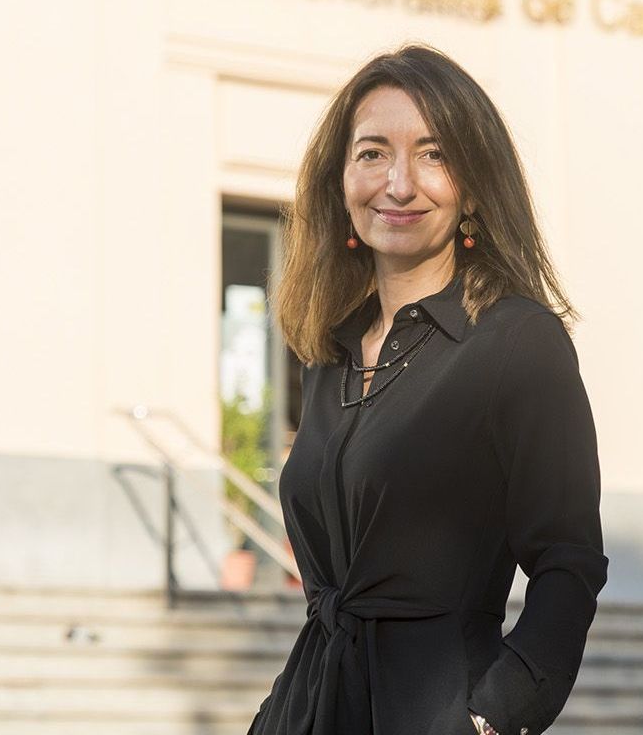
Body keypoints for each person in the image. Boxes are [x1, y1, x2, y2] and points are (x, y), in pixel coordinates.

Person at [250, 45, 608, 735]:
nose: (400, 183)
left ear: (473, 184)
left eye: (434, 154)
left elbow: (569, 562)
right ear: (340, 179)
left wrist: (498, 716)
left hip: (438, 711)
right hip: (313, 706)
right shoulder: (330, 351)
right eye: (373, 153)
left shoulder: (516, 341)